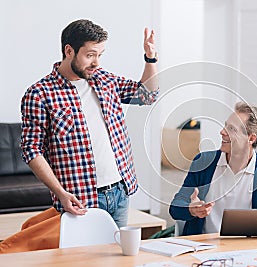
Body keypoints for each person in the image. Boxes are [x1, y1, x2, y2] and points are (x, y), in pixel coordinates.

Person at [20, 19, 159, 228]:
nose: (97, 62)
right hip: (79, 199)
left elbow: (147, 95)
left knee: (116, 259)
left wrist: (150, 58)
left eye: (100, 55)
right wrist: (60, 193)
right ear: (69, 51)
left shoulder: (104, 80)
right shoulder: (39, 94)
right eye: (90, 55)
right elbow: (31, 150)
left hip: (120, 192)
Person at [169, 102, 257, 237]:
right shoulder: (203, 162)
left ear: (251, 138)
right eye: (225, 126)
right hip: (202, 247)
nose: (222, 132)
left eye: (232, 129)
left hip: (244, 249)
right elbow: (175, 208)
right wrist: (191, 209)